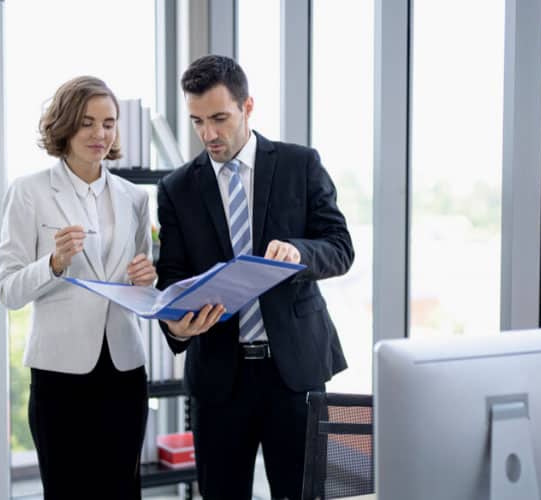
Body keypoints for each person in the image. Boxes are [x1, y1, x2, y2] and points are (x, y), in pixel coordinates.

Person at [156, 55, 354, 500]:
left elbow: (340, 248)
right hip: (218, 378)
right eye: (197, 121)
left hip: (294, 370)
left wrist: (299, 252)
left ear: (248, 107)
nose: (208, 134)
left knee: (301, 493)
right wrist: (175, 323)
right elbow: (172, 276)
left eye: (219, 119)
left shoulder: (299, 164)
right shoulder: (177, 188)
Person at [0, 76, 156, 500]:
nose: (99, 134)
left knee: (124, 490)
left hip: (125, 371)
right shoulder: (29, 192)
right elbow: (8, 290)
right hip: (60, 375)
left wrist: (146, 281)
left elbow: (138, 291)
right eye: (87, 123)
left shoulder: (134, 197)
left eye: (109, 123)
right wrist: (53, 263)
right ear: (64, 125)